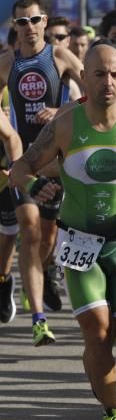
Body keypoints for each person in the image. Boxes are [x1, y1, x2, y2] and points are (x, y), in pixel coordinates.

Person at [10, 40, 116, 420]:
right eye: (98, 74)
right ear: (83, 77)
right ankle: (112, 413)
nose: (108, 82)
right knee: (97, 331)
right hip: (79, 244)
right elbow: (20, 167)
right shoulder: (66, 123)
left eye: (115, 73)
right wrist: (34, 184)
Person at [0, 0, 84, 345]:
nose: (29, 28)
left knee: (48, 239)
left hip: (57, 161)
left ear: (45, 22)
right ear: (14, 27)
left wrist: (62, 112)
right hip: (22, 162)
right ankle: (38, 319)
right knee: (30, 233)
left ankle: (31, 275)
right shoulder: (7, 62)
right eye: (22, 22)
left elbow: (95, 93)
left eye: (35, 20)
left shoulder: (61, 57)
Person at [0, 106, 23, 323]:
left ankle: (3, 279)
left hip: (3, 177)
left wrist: (16, 169)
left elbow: (12, 137)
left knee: (7, 236)